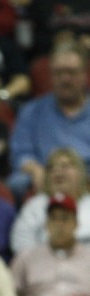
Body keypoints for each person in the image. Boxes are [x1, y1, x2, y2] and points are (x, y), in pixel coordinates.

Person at [7, 41, 90, 201]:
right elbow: (20, 153)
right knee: (16, 183)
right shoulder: (31, 111)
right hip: (45, 173)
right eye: (58, 73)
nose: (65, 79)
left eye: (71, 72)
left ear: (84, 74)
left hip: (87, 174)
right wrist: (34, 168)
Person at [10, 193, 90, 296]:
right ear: (46, 224)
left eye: (64, 218)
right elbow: (11, 294)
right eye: (53, 218)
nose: (59, 224)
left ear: (76, 223)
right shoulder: (27, 257)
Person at [10, 147, 90, 255]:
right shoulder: (34, 206)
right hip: (43, 267)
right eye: (51, 168)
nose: (57, 171)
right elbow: (21, 243)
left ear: (80, 173)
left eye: (65, 166)